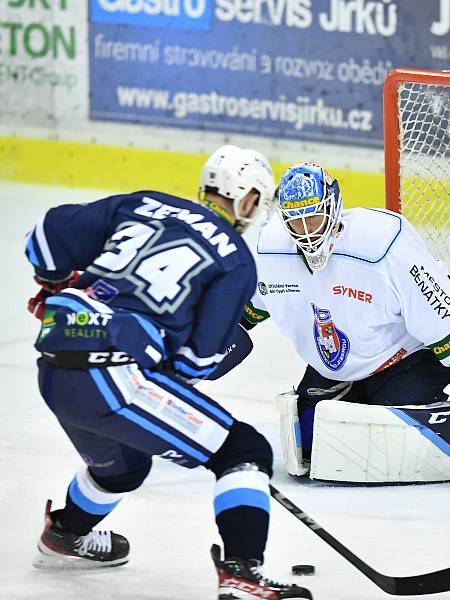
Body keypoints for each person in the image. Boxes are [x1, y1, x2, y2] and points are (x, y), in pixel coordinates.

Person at [24, 145, 312, 600]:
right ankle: (243, 574)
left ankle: (66, 533)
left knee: (125, 466)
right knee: (242, 450)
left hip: (56, 367)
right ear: (249, 200)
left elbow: (43, 237)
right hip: (115, 376)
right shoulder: (236, 259)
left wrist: (56, 284)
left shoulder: (140, 204)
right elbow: (195, 364)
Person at [236, 162, 450, 483]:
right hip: (333, 371)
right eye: (295, 222)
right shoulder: (273, 250)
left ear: (333, 209)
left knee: (382, 438)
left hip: (405, 361)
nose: (306, 231)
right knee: (309, 440)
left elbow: (434, 297)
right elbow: (254, 303)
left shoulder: (382, 244)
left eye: (313, 218)